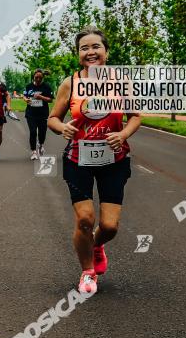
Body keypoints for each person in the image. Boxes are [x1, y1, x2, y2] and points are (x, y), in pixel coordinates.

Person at [47, 26, 141, 294]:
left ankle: (97, 245)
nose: (90, 52)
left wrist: (122, 134)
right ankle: (88, 272)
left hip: (114, 159)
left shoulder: (121, 81)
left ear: (106, 52)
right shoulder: (71, 83)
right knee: (86, 219)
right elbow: (53, 118)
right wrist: (61, 127)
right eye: (84, 48)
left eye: (95, 47)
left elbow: (135, 115)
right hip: (78, 159)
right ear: (78, 55)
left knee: (109, 226)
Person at [24, 69, 54, 160]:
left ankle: (41, 145)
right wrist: (26, 100)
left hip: (43, 114)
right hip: (31, 113)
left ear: (43, 78)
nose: (38, 79)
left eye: (40, 78)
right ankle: (33, 151)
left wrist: (41, 97)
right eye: (36, 77)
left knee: (42, 133)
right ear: (33, 77)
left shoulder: (46, 87)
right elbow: (24, 96)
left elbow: (50, 100)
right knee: (33, 132)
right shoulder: (29, 86)